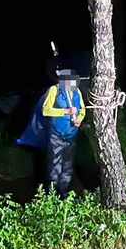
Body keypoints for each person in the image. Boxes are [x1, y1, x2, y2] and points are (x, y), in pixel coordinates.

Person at [41, 69, 85, 198]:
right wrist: (65, 111)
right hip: (56, 134)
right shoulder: (55, 90)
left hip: (71, 135)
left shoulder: (77, 91)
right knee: (55, 166)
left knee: (67, 167)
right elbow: (46, 110)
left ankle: (64, 194)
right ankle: (51, 196)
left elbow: (82, 109)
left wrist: (79, 119)